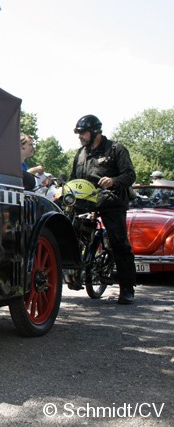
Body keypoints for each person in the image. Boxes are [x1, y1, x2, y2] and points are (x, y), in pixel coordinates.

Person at [71, 114, 137, 305]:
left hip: (112, 201)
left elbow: (130, 175)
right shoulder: (80, 154)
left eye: (82, 133)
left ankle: (127, 288)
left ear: (95, 132)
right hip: (86, 202)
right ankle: (75, 273)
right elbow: (73, 178)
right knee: (71, 233)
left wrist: (114, 181)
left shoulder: (116, 148)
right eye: (79, 133)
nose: (80, 136)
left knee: (119, 243)